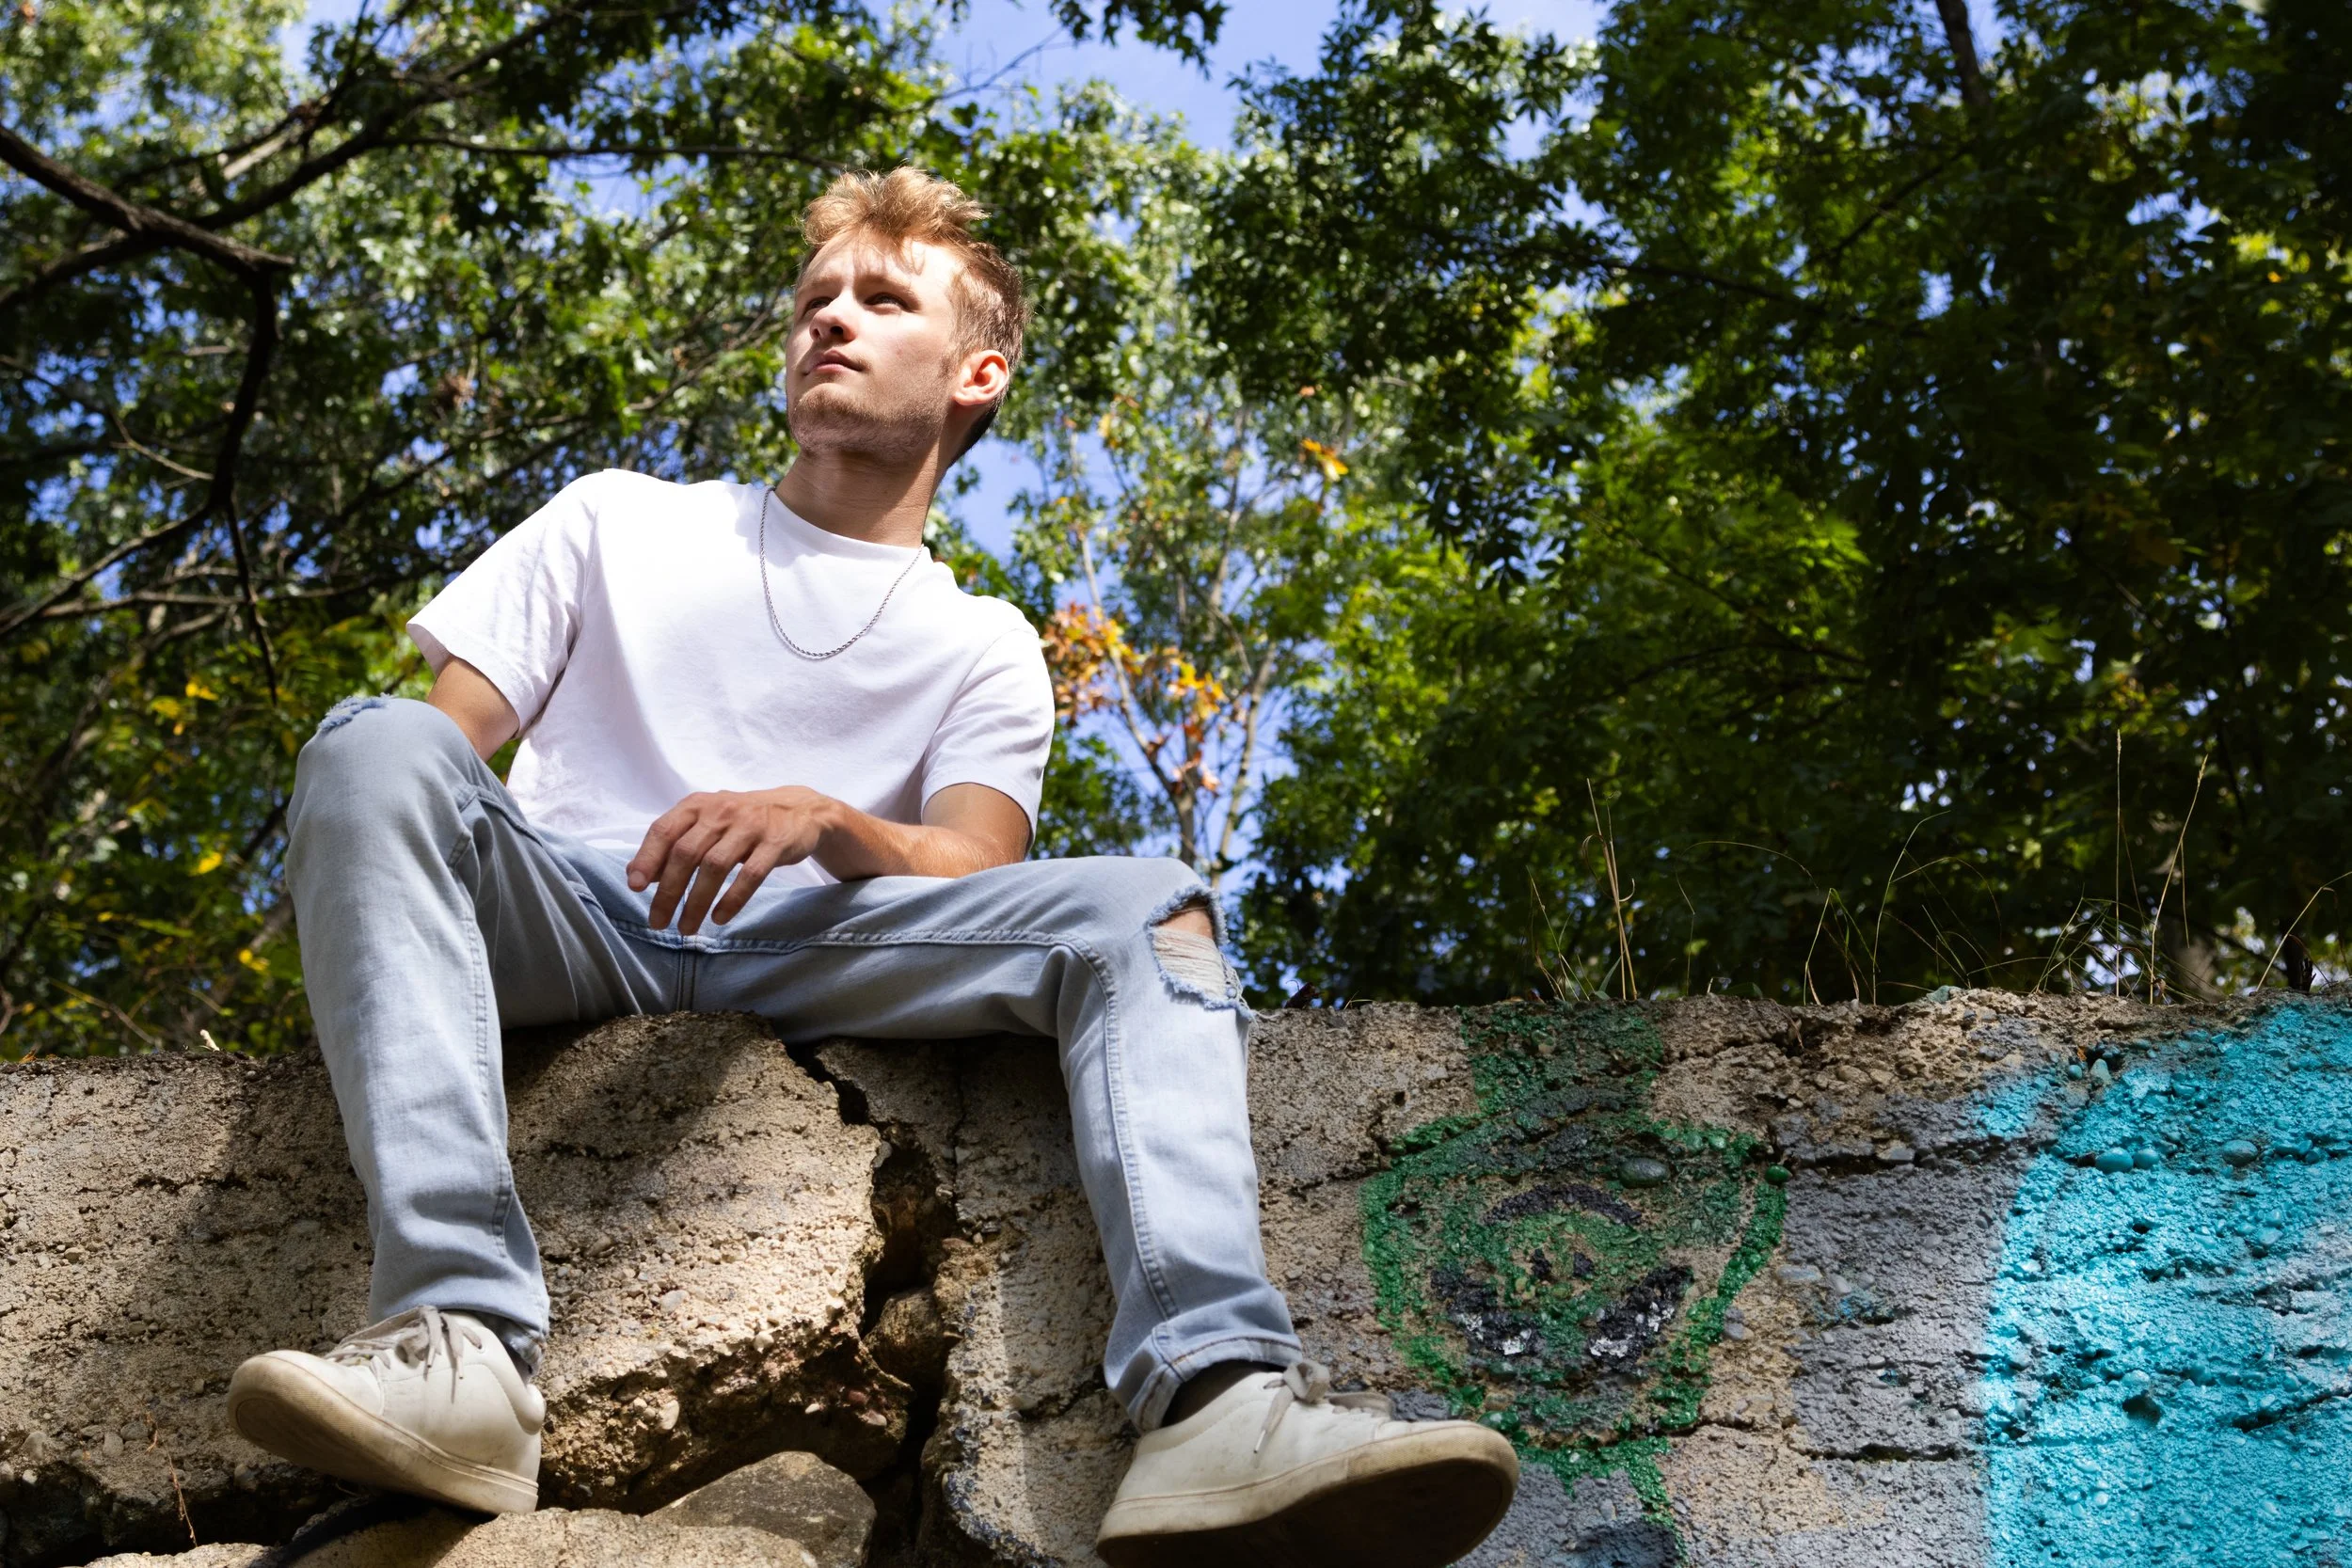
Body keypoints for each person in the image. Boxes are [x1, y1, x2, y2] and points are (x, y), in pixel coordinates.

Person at [222, 166, 1518, 1567]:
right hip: (574, 911)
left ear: (976, 372)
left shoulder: (985, 641)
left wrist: (830, 819)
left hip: (825, 936)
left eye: (880, 299)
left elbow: (972, 863)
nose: (828, 320)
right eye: (812, 301)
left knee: (1152, 904)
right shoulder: (615, 519)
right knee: (367, 739)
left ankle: (1217, 1398)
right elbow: (426, 766)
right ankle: (459, 1344)